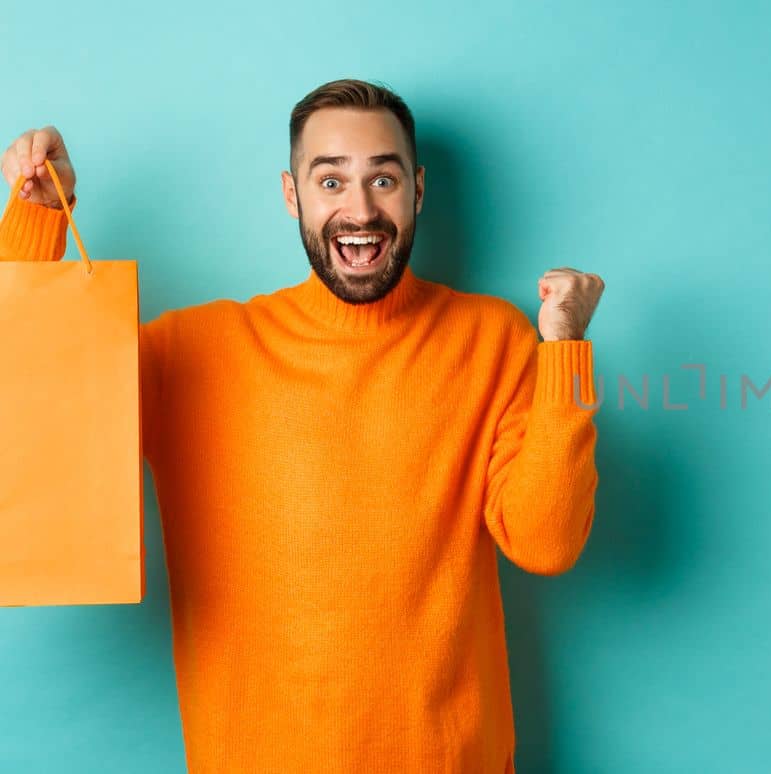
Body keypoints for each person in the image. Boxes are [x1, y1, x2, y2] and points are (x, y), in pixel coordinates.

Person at [0, 78, 605, 773]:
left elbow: (547, 542)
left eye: (383, 178)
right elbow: (27, 400)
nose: (360, 209)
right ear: (292, 196)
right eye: (330, 181)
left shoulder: (493, 338)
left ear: (418, 190)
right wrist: (38, 218)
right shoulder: (192, 352)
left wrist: (564, 353)